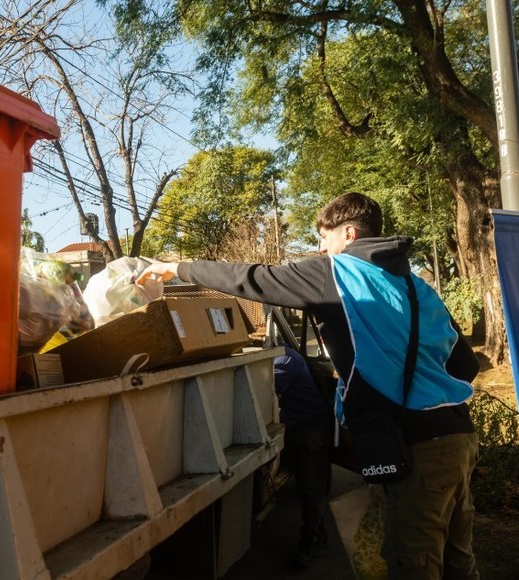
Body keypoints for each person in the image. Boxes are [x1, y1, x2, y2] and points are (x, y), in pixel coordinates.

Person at [138, 192, 480, 580]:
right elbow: (465, 365)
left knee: (412, 564)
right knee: (459, 559)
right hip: (459, 437)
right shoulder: (417, 286)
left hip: (416, 448)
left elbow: (253, 279)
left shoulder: (337, 273)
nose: (320, 248)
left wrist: (177, 268)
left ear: (348, 233)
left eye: (324, 237)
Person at [272, 346, 333, 571]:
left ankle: (310, 542)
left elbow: (269, 389)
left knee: (310, 489)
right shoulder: (282, 358)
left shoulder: (285, 360)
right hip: (293, 428)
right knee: (305, 487)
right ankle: (318, 531)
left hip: (310, 431)